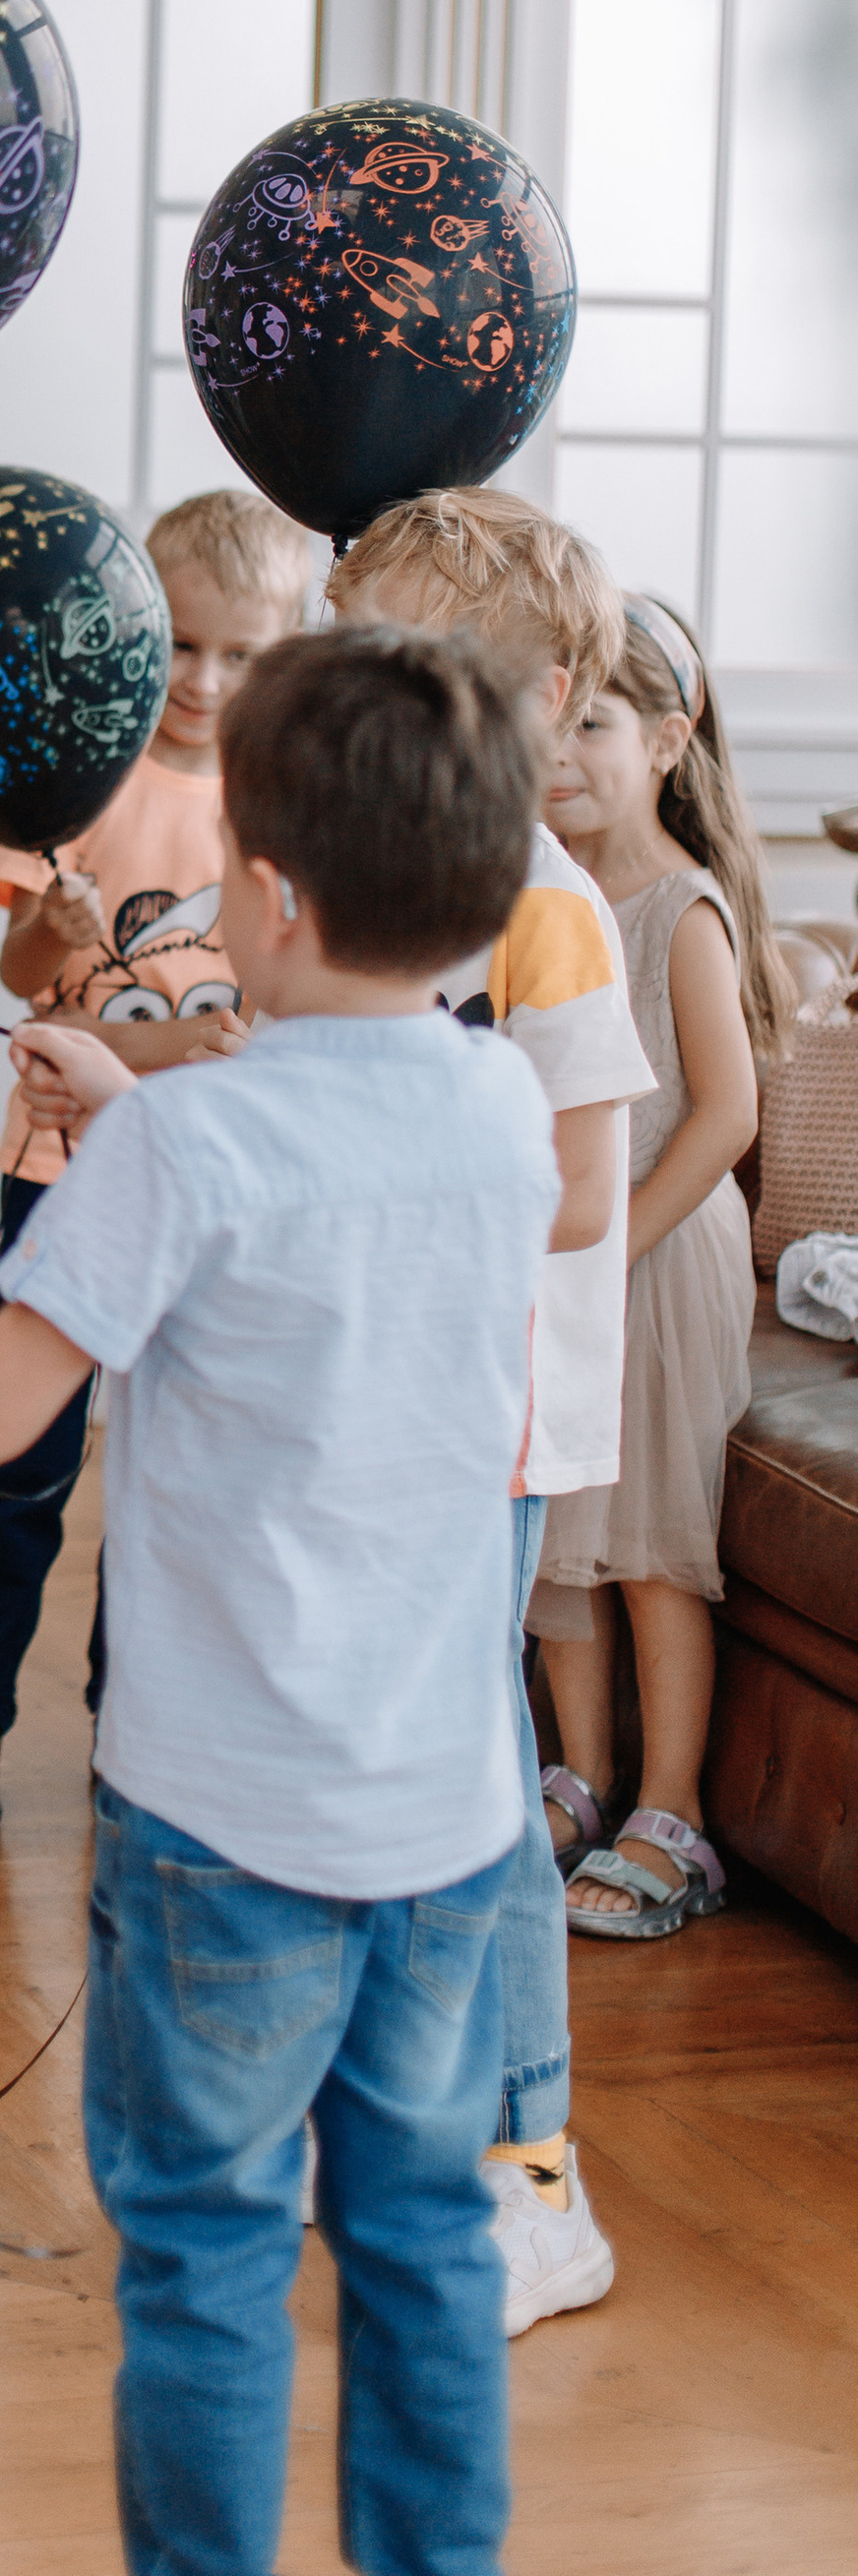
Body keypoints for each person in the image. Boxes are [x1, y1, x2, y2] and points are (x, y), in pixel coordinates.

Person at [0, 625, 560, 2576]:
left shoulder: (194, 1148)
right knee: (422, 2234)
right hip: (446, 1824)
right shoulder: (494, 1109)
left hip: (225, 1828)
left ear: (275, 901)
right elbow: (309, 1147)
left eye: (226, 866)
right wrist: (133, 1091)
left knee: (209, 2252)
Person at [326, 487, 652, 2331]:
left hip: (485, 1418)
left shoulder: (546, 907)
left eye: (407, 661)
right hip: (366, 1400)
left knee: (473, 1798)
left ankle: (538, 2180)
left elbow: (584, 1192)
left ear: (535, 699)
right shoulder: (379, 876)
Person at [0, 488, 313, 1836]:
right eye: (183, 644)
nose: (206, 681)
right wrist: (59, 930)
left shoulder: (292, 801)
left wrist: (157, 1045)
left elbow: (263, 1037)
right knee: (22, 1469)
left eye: (243, 653)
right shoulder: (81, 770)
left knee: (170, 1474)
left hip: (216, 1194)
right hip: (64, 1167)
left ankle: (130, 1724)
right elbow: (24, 986)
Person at [534, 597, 782, 1939]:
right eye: (545, 722)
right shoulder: (543, 900)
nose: (561, 753)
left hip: (658, 1258)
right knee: (563, 1536)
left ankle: (674, 1810)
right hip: (571, 1251)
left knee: (647, 1548)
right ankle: (580, 1776)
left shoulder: (678, 908)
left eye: (595, 723)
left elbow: (726, 1115)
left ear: (670, 740)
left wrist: (617, 1244)